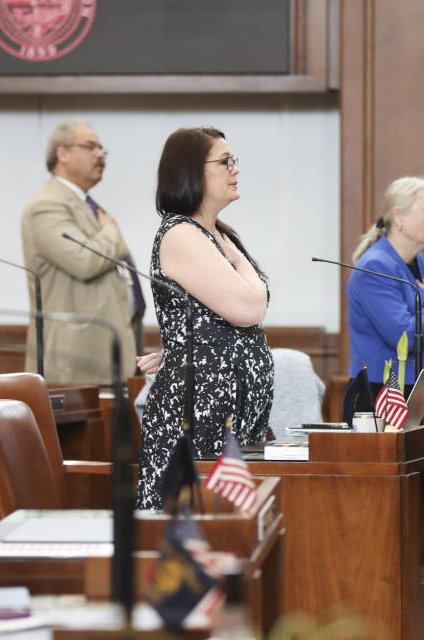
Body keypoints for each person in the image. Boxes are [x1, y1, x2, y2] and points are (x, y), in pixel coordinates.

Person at [136, 127, 272, 510]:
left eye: (234, 161)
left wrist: (182, 344)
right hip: (199, 412)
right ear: (193, 172)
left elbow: (211, 315)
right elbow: (248, 309)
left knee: (228, 531)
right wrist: (243, 264)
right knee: (194, 531)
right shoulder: (181, 233)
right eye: (225, 162)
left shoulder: (214, 233)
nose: (235, 170)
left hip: (229, 411)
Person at [21, 119, 144, 385]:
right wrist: (111, 230)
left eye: (102, 149)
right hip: (75, 364)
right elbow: (84, 262)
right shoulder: (46, 206)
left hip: (106, 355)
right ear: (62, 153)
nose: (100, 155)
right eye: (90, 147)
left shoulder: (86, 204)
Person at [347, 176, 424, 408]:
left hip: (418, 389)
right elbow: (405, 338)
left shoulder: (416, 260)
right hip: (381, 396)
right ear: (399, 216)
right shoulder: (374, 266)